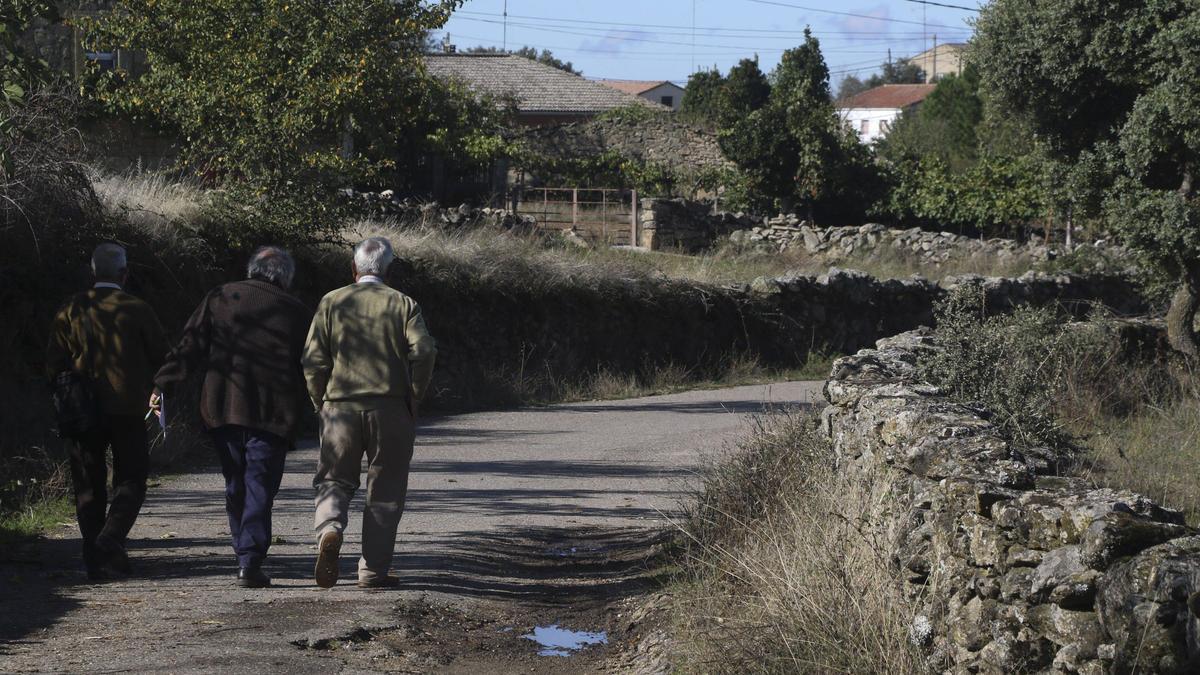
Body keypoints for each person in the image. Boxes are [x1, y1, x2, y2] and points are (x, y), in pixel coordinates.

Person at [152, 247, 312, 588]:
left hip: (223, 405)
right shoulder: (296, 311)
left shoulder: (221, 296)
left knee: (235, 480)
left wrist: (163, 384)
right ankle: (249, 557)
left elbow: (190, 345)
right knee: (259, 483)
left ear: (252, 270)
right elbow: (310, 366)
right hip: (272, 412)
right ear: (284, 277)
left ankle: (245, 551)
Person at [302, 237, 436, 589]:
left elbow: (313, 361)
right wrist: (414, 394)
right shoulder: (404, 304)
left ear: (354, 269)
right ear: (389, 271)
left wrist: (321, 401)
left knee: (334, 478)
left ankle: (330, 528)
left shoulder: (332, 302)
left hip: (340, 407)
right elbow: (424, 350)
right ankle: (373, 570)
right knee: (386, 488)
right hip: (390, 407)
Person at [46, 243, 169, 580]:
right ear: (124, 274)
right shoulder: (137, 308)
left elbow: (53, 364)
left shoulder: (70, 309)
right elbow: (163, 356)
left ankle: (96, 559)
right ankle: (110, 541)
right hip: (127, 409)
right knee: (131, 479)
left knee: (88, 484)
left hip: (80, 410)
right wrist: (157, 388)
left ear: (93, 272)